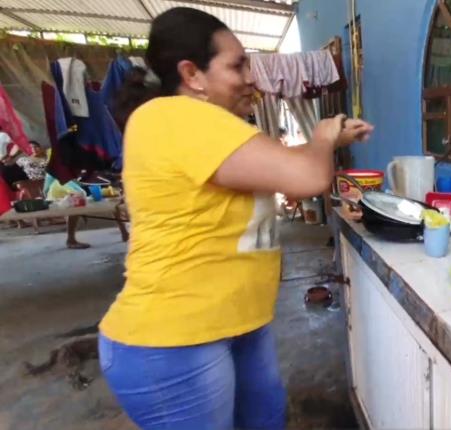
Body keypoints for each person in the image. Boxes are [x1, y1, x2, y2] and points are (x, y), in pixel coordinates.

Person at [98, 7, 373, 430]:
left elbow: (283, 166)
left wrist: (331, 138)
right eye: (238, 65)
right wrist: (322, 138)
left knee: (266, 418)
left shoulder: (205, 126)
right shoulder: (177, 116)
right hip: (174, 338)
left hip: (237, 322)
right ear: (192, 75)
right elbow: (308, 177)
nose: (251, 77)